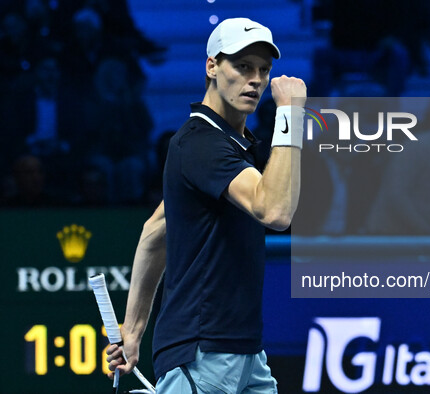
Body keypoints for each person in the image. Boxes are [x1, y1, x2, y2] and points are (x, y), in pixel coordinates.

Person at [106, 17, 306, 393]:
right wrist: (291, 115)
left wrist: (131, 332)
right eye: (243, 66)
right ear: (212, 66)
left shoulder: (226, 144)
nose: (256, 80)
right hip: (203, 355)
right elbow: (275, 212)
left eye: (263, 70)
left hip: (244, 354)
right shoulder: (202, 143)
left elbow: (155, 232)